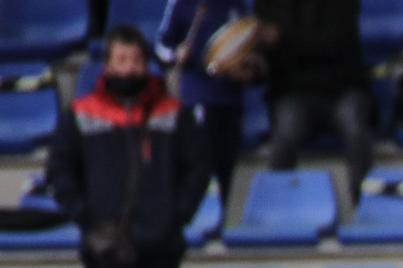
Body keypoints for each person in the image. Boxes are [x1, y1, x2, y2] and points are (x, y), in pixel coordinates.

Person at [45, 26, 209, 268]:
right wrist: (86, 218)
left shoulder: (172, 113)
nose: (129, 67)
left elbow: (198, 170)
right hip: (104, 244)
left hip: (161, 242)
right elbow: (60, 171)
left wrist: (178, 214)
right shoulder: (82, 115)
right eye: (121, 60)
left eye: (135, 60)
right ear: (108, 64)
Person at [254, 0, 372, 203]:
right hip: (293, 93)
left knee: (355, 130)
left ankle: (364, 205)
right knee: (285, 136)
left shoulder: (341, 5)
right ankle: (277, 207)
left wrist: (283, 38)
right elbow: (268, 58)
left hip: (341, 89)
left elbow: (333, 42)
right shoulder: (269, 5)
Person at [155, 0, 252, 205]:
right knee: (201, 159)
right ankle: (199, 213)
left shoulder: (236, 6)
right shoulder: (182, 4)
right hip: (198, 96)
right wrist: (176, 54)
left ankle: (223, 214)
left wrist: (244, 65)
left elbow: (246, 44)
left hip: (231, 98)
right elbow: (162, 47)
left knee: (227, 161)